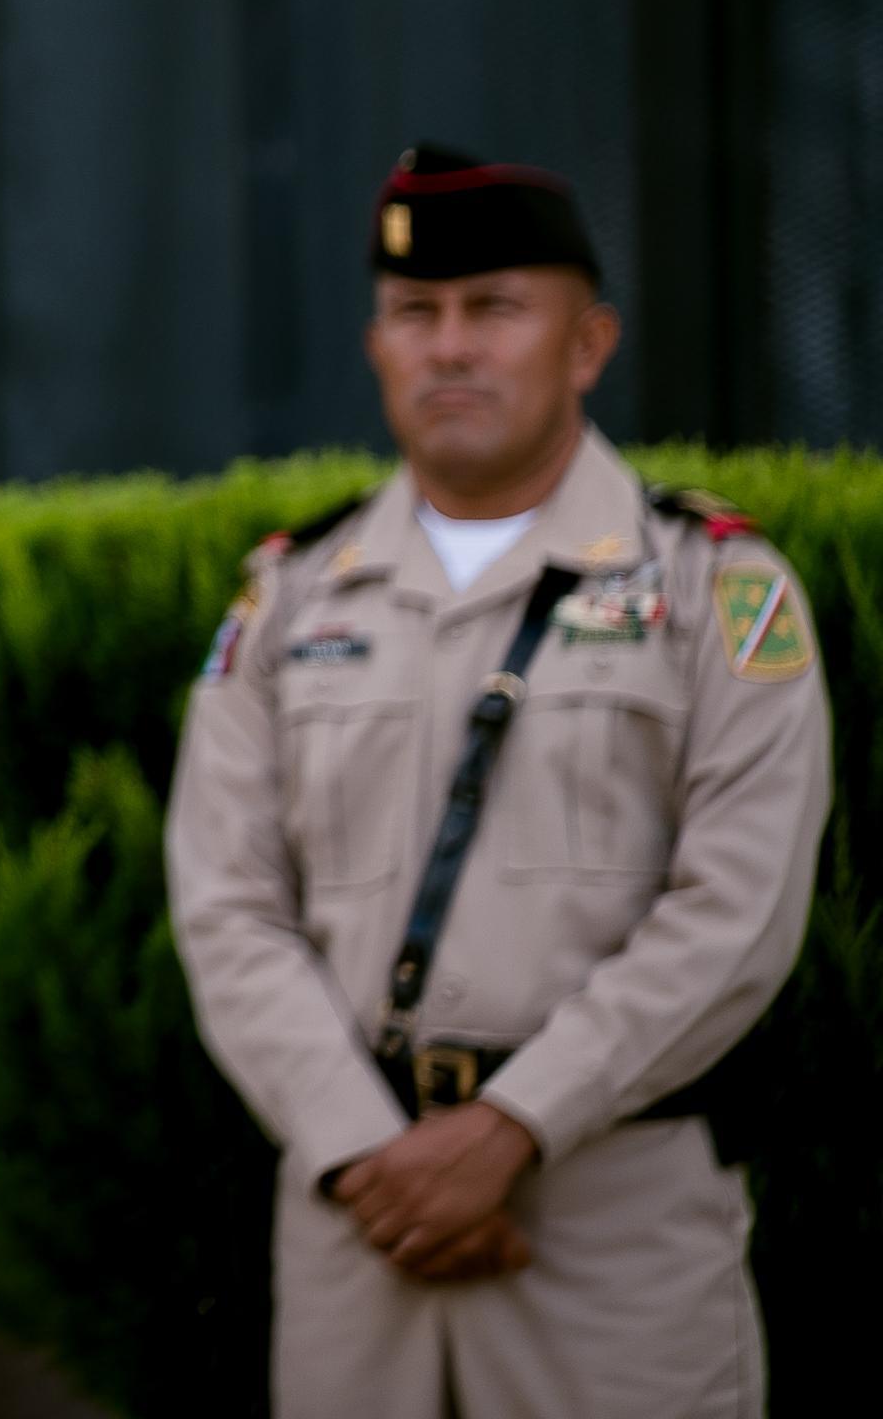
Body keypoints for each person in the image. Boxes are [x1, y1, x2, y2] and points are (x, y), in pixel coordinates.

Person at [165, 144, 829, 1419]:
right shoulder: (288, 598)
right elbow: (224, 908)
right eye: (413, 313)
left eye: (494, 307)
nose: (449, 346)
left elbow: (736, 909)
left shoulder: (713, 586)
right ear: (375, 346)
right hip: (357, 1226)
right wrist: (365, 1150)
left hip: (607, 1224)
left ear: (587, 343)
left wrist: (515, 1122)